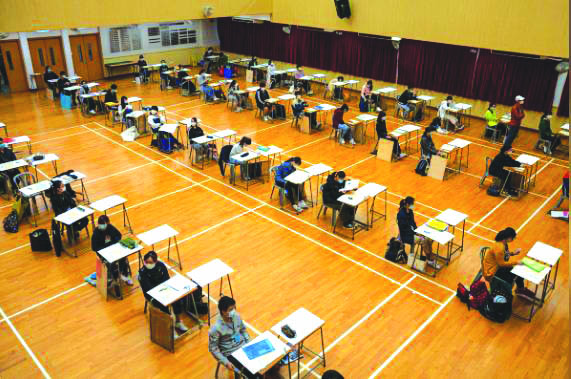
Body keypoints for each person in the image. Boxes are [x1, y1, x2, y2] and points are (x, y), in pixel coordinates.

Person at [209, 296, 263, 379]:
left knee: (263, 364)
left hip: (243, 345)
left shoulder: (236, 316)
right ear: (223, 311)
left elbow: (243, 330)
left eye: (234, 308)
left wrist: (249, 342)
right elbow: (213, 349)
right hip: (231, 353)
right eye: (231, 309)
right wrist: (225, 362)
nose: (234, 311)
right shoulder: (215, 329)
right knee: (254, 376)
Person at [138, 251, 190, 335]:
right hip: (152, 295)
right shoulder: (142, 272)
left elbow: (166, 279)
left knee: (176, 299)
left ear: (155, 262)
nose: (147, 264)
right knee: (163, 306)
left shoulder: (161, 265)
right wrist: (161, 294)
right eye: (146, 262)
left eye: (150, 262)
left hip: (164, 290)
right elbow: (148, 289)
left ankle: (178, 321)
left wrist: (166, 291)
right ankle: (170, 329)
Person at [482, 227, 536, 300]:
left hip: (497, 266)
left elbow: (503, 256)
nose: (513, 240)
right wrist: (516, 262)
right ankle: (519, 289)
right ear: (508, 238)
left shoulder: (502, 243)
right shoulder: (499, 247)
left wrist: (513, 253)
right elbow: (502, 264)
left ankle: (520, 288)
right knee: (517, 272)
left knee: (517, 271)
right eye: (512, 238)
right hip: (492, 272)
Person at [91, 215, 133, 287]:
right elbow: (94, 247)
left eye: (105, 224)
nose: (103, 226)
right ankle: (114, 278)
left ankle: (125, 275)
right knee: (112, 263)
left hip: (114, 249)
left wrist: (114, 242)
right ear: (98, 224)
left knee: (123, 258)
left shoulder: (110, 227)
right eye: (101, 224)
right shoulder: (96, 233)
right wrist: (104, 249)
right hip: (103, 253)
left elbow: (118, 235)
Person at [396, 196, 437, 268]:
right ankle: (430, 259)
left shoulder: (410, 212)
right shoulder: (401, 215)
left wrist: (418, 231)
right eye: (412, 204)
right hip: (406, 236)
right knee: (424, 241)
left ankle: (430, 255)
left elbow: (413, 224)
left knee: (429, 238)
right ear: (408, 204)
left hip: (413, 233)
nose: (413, 205)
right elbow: (404, 229)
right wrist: (416, 234)